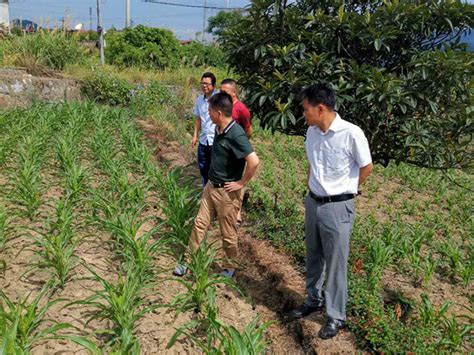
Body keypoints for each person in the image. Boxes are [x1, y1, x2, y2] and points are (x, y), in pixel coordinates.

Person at [290, 84, 373, 339]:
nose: (304, 114)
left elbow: (366, 167)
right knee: (313, 254)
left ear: (320, 108)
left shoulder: (351, 133)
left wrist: (350, 189)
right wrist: (310, 187)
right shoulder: (312, 132)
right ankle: (312, 300)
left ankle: (335, 315)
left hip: (338, 206)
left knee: (336, 262)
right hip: (313, 202)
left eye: (306, 109)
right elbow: (312, 164)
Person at [174, 92, 260, 278]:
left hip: (227, 194)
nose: (208, 114)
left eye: (210, 111)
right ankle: (187, 261)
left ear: (219, 113)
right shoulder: (217, 129)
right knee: (199, 224)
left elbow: (253, 161)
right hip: (211, 187)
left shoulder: (236, 134)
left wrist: (241, 183)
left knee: (227, 233)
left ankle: (229, 267)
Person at [219, 78, 253, 227]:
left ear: (234, 93)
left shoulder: (241, 109)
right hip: (224, 150)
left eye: (224, 92)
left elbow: (248, 129)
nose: (221, 94)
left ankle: (237, 213)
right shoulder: (222, 105)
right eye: (220, 92)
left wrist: (239, 145)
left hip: (236, 151)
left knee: (237, 181)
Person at [192, 72, 218, 187]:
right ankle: (205, 189)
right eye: (202, 83)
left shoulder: (219, 99)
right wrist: (195, 136)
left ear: (213, 85)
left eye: (207, 84)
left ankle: (214, 191)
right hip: (203, 139)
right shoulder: (199, 100)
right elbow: (198, 119)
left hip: (215, 140)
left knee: (215, 168)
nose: (204, 86)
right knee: (203, 167)